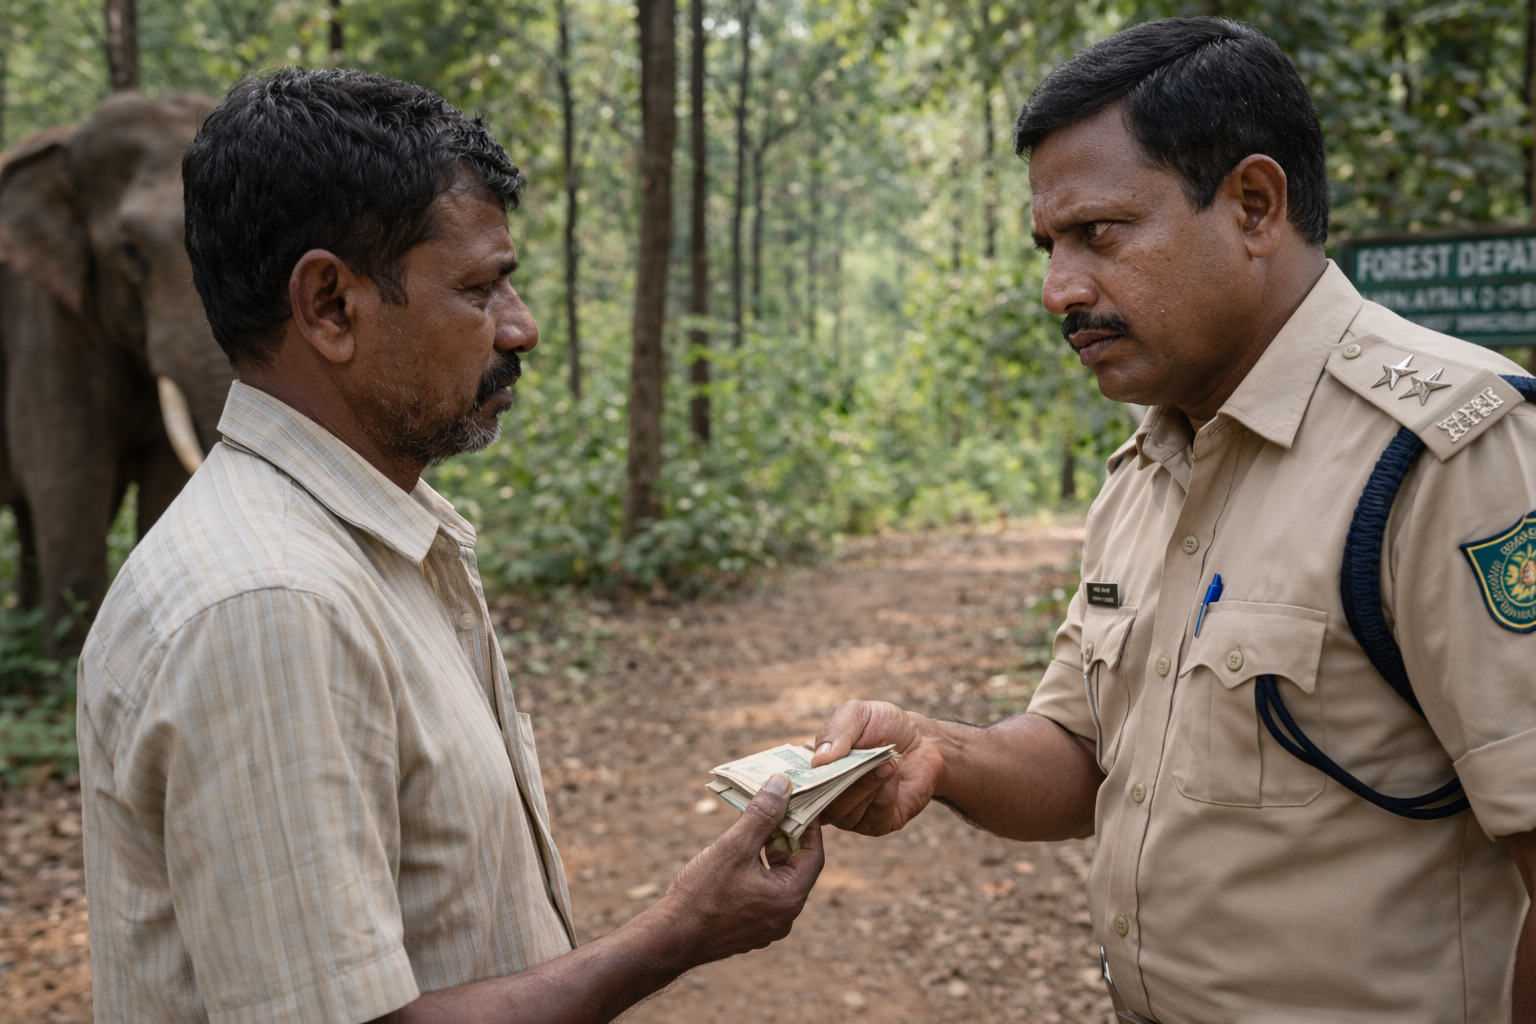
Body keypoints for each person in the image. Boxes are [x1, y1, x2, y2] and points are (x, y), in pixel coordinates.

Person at [810, 17, 1536, 1024]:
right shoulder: (1152, 462)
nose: (1059, 290)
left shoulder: (1444, 455)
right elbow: (1083, 755)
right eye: (1050, 246)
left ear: (1253, 205)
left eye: (1100, 233)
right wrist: (937, 751)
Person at [76, 67, 822, 1024]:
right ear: (330, 306)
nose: (523, 327)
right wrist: (675, 933)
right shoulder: (270, 607)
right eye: (479, 288)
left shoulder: (368, 544)